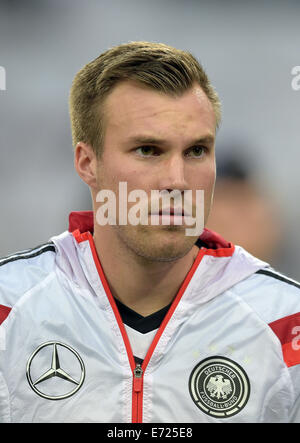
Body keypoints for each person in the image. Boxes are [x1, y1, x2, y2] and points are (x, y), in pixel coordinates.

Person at [0, 41, 300, 424]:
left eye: (196, 151)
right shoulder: (8, 309)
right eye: (147, 149)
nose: (177, 180)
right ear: (87, 163)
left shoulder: (287, 322)